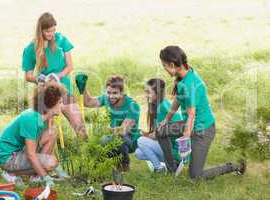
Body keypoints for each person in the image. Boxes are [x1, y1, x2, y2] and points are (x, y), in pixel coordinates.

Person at [158, 45, 246, 179]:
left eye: (164, 66)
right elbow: (178, 98)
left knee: (195, 176)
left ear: (172, 64)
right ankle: (172, 168)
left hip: (203, 129)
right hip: (191, 124)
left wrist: (186, 138)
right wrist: (167, 119)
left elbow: (192, 115)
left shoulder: (190, 84)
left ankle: (235, 166)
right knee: (160, 131)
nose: (164, 69)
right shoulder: (185, 73)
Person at [21, 12, 87, 140]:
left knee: (80, 128)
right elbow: (28, 76)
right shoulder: (30, 48)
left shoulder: (61, 39)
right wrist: (41, 79)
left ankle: (87, 151)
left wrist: (58, 76)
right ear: (40, 30)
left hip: (65, 89)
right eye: (48, 31)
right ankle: (48, 156)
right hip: (46, 93)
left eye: (53, 30)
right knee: (46, 133)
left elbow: (70, 66)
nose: (51, 34)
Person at [0, 82, 68, 186]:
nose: (62, 105)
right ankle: (10, 173)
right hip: (8, 158)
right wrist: (46, 177)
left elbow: (48, 147)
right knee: (51, 162)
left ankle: (36, 176)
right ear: (51, 103)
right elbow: (31, 154)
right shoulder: (31, 119)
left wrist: (60, 170)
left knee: (52, 134)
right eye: (60, 102)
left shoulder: (42, 117)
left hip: (19, 151)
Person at [83, 75, 141, 171]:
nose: (111, 96)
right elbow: (88, 102)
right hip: (112, 136)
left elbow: (123, 131)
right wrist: (83, 87)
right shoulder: (107, 99)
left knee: (116, 139)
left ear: (122, 92)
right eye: (108, 92)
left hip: (130, 140)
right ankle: (110, 162)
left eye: (115, 93)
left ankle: (125, 164)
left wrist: (103, 130)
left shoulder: (133, 106)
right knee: (99, 145)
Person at [135, 78, 186, 172]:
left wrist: (142, 134)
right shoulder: (159, 105)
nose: (145, 95)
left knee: (141, 140)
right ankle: (163, 165)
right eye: (145, 92)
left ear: (157, 93)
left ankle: (159, 168)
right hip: (167, 146)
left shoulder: (163, 108)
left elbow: (156, 135)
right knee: (138, 153)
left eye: (148, 92)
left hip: (174, 151)